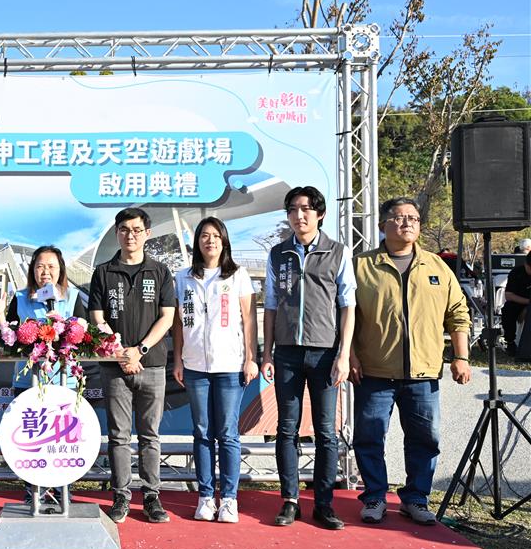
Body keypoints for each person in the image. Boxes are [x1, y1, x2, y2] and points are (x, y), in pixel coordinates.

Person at [350, 197, 472, 525]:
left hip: (423, 373)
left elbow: (458, 313)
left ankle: (416, 498)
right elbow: (344, 316)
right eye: (399, 217)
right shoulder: (361, 265)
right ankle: (374, 496)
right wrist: (350, 355)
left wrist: (460, 356)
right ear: (382, 225)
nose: (407, 223)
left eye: (414, 218)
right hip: (374, 371)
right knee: (369, 438)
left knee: (424, 439)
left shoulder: (436, 267)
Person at [261, 186, 356, 530]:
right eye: (292, 210)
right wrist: (267, 352)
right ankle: (290, 500)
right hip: (287, 353)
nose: (298, 216)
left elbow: (348, 305)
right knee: (286, 429)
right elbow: (271, 305)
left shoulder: (338, 252)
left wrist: (343, 354)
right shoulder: (278, 254)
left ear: (320, 214)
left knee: (326, 431)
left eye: (305, 209)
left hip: (325, 353)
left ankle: (324, 504)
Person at [88, 207, 176, 524]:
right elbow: (97, 318)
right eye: (125, 229)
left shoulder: (160, 271)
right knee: (119, 436)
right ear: (117, 233)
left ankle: (152, 496)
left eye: (137, 230)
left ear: (147, 234)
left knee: (150, 435)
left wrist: (139, 350)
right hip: (114, 366)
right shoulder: (103, 272)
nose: (131, 235)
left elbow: (167, 317)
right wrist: (120, 352)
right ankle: (121, 496)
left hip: (152, 364)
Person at [0, 245, 88, 510]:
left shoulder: (73, 297)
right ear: (32, 270)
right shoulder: (21, 298)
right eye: (40, 266)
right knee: (32, 440)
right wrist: (0, 314)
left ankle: (63, 491)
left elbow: (83, 337)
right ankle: (33, 491)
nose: (45, 272)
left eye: (51, 266)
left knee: (63, 441)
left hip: (65, 382)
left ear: (60, 270)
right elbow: (8, 338)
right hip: (28, 383)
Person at [172, 216, 258, 523]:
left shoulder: (238, 275)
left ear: (224, 241)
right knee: (202, 432)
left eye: (216, 236)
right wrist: (178, 359)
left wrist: (251, 358)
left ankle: (229, 499)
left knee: (228, 433)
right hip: (195, 365)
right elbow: (178, 323)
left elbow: (249, 320)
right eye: (204, 236)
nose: (210, 241)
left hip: (230, 365)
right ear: (196, 242)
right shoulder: (183, 277)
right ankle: (206, 497)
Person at [502, 248, 531, 357]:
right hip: (519, 302)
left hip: (528, 305)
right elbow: (509, 295)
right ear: (526, 264)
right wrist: (528, 303)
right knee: (508, 309)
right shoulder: (516, 273)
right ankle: (510, 342)